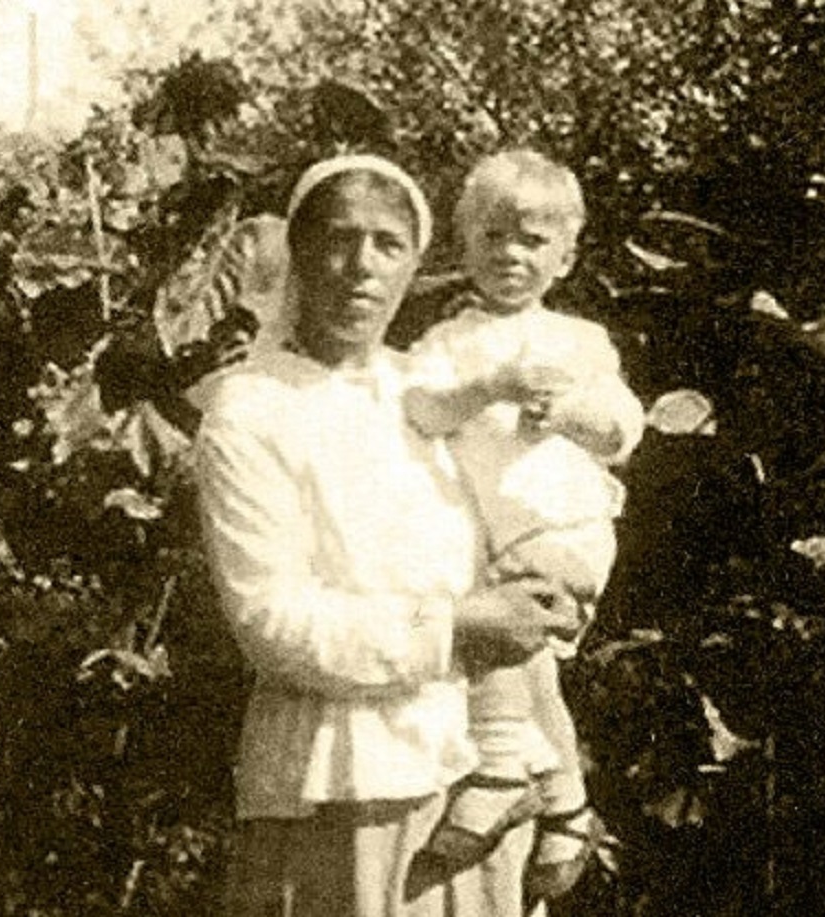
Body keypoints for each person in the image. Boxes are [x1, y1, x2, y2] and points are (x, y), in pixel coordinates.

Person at [194, 153, 582, 917]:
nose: (359, 268)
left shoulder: (436, 390)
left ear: (414, 262)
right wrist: (460, 623)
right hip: (341, 786)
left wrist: (550, 589)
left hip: (481, 777)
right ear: (299, 254)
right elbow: (271, 621)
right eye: (338, 239)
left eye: (387, 243)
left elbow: (532, 503)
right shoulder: (251, 407)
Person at [403, 149, 645, 899]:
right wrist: (487, 387)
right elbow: (421, 408)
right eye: (492, 236)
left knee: (509, 641)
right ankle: (568, 802)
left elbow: (622, 430)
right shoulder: (446, 343)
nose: (510, 254)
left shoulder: (579, 341)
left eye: (532, 240)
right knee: (532, 671)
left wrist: (567, 413)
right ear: (463, 243)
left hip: (562, 526)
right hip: (486, 539)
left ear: (565, 256)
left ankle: (505, 768)